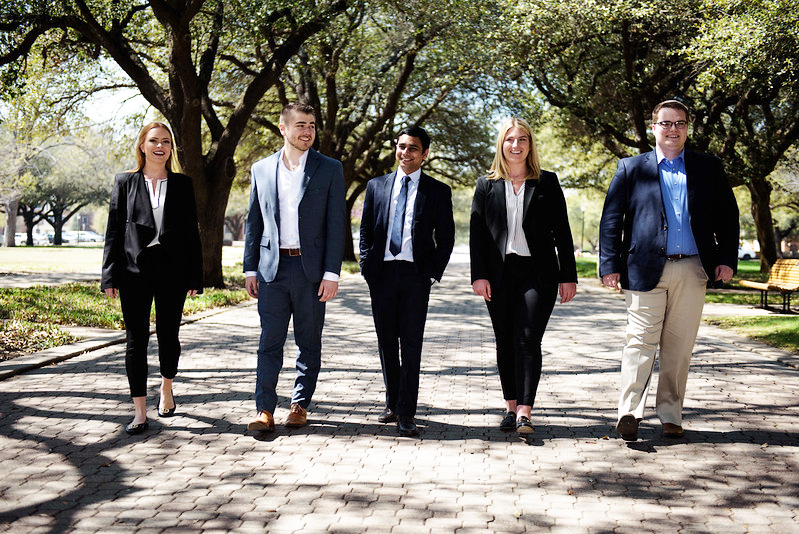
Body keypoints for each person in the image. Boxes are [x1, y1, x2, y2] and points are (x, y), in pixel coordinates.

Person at [599, 99, 739, 441]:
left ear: (687, 128)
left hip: (693, 269)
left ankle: (670, 415)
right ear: (653, 127)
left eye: (679, 123)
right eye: (666, 123)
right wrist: (609, 264)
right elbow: (612, 220)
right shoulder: (631, 168)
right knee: (639, 342)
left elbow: (728, 216)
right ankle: (629, 412)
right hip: (645, 269)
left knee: (679, 348)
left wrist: (727, 259)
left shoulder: (709, 167)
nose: (672, 129)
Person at [470, 117, 577, 435]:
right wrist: (479, 274)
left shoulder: (547, 182)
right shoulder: (486, 185)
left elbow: (563, 232)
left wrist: (567, 276)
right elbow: (478, 234)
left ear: (530, 145)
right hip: (499, 274)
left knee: (528, 339)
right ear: (501, 145)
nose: (515, 145)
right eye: (509, 140)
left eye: (522, 140)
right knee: (504, 341)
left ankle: (525, 414)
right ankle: (510, 407)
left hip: (538, 273)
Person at [243, 103, 346, 432]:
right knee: (269, 342)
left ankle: (300, 405)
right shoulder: (261, 169)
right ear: (283, 128)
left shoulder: (329, 168)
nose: (307, 131)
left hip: (312, 271)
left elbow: (336, 224)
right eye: (300, 125)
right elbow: (253, 223)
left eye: (312, 125)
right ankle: (264, 409)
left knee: (308, 342)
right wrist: (250, 269)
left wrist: (332, 273)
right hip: (272, 270)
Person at [101, 121, 203, 435]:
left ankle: (167, 387)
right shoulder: (125, 182)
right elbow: (114, 231)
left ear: (171, 149)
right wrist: (109, 275)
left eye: (166, 142)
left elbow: (191, 234)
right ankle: (140, 413)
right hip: (134, 272)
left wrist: (195, 276)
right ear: (143, 145)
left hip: (173, 271)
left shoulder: (183, 185)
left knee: (169, 337)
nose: (160, 146)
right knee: (136, 342)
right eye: (154, 141)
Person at [359, 126, 455, 437]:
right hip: (382, 275)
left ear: (424, 153)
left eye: (413, 148)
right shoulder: (376, 186)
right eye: (401, 146)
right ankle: (392, 401)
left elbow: (447, 238)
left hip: (416, 277)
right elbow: (365, 232)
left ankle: (407, 412)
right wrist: (366, 268)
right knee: (387, 343)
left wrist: (430, 273)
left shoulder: (438, 191)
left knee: (411, 345)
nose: (405, 152)